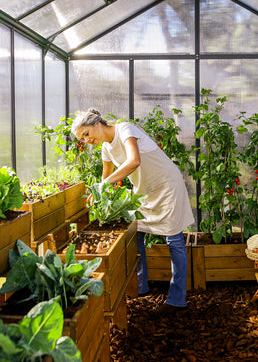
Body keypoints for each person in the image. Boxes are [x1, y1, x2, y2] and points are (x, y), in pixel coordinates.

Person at [71, 108, 194, 315]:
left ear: (97, 124)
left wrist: (105, 184)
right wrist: (98, 195)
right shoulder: (105, 149)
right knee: (135, 234)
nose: (86, 140)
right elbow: (105, 178)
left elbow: (134, 161)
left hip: (166, 186)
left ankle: (176, 300)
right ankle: (140, 287)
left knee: (173, 240)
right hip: (145, 193)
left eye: (86, 134)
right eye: (82, 138)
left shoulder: (125, 129)